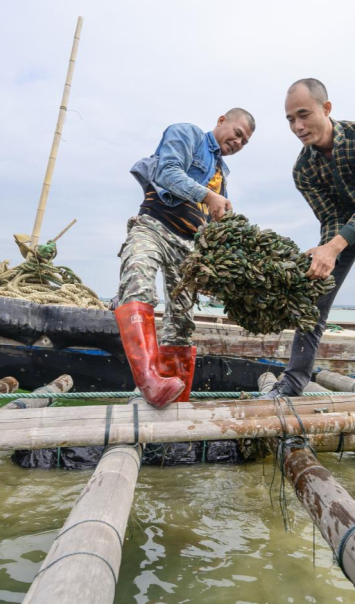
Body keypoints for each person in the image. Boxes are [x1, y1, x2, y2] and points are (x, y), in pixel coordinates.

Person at [261, 78, 355, 398]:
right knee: (314, 301)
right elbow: (331, 217)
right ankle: (293, 382)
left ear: (327, 108)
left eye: (304, 114)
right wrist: (327, 251)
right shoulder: (303, 170)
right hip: (340, 231)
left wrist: (333, 247)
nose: (297, 126)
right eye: (290, 119)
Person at [115, 109, 255, 407]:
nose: (239, 142)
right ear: (221, 121)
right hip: (153, 226)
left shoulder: (222, 172)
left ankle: (176, 395)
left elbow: (214, 222)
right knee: (137, 281)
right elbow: (166, 171)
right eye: (238, 133)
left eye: (245, 142)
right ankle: (149, 381)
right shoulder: (187, 133)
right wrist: (209, 195)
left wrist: (214, 265)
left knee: (182, 321)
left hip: (189, 247)